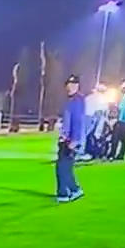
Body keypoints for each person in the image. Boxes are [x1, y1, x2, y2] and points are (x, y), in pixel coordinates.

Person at [56, 75, 86, 203]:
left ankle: (70, 191)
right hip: (65, 139)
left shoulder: (77, 101)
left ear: (77, 86)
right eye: (68, 84)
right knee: (62, 167)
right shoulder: (70, 100)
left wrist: (75, 140)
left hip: (71, 140)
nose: (69, 87)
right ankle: (66, 192)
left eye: (72, 84)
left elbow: (78, 121)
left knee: (63, 167)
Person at [83, 83, 108, 159]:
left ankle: (89, 151)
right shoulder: (101, 98)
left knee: (88, 136)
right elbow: (101, 112)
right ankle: (94, 152)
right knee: (93, 136)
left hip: (87, 117)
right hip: (94, 118)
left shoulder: (89, 97)